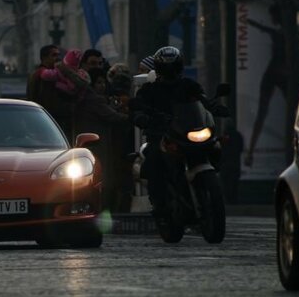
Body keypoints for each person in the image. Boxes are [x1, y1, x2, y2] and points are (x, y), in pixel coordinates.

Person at [131, 46, 206, 218]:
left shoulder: (189, 85)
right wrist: (141, 116)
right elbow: (138, 106)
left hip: (187, 133)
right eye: (167, 68)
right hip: (163, 135)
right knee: (154, 158)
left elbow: (203, 100)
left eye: (174, 68)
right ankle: (159, 204)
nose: (170, 72)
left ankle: (205, 192)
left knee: (213, 146)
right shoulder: (150, 90)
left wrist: (214, 107)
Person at [75, 67, 130, 211]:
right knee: (104, 179)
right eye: (98, 82)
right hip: (98, 144)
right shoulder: (94, 99)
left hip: (95, 143)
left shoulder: (90, 98)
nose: (102, 86)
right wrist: (131, 118)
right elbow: (111, 116)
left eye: (104, 82)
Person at [244, 4, 286, 167]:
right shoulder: (283, 32)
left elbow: (265, 29)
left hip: (276, 71)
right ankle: (251, 153)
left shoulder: (281, 33)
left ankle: (250, 153)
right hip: (280, 72)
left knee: (262, 112)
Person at [27, 45, 74, 142]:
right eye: (54, 55)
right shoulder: (42, 74)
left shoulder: (43, 73)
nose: (57, 58)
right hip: (46, 120)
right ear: (44, 58)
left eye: (58, 55)